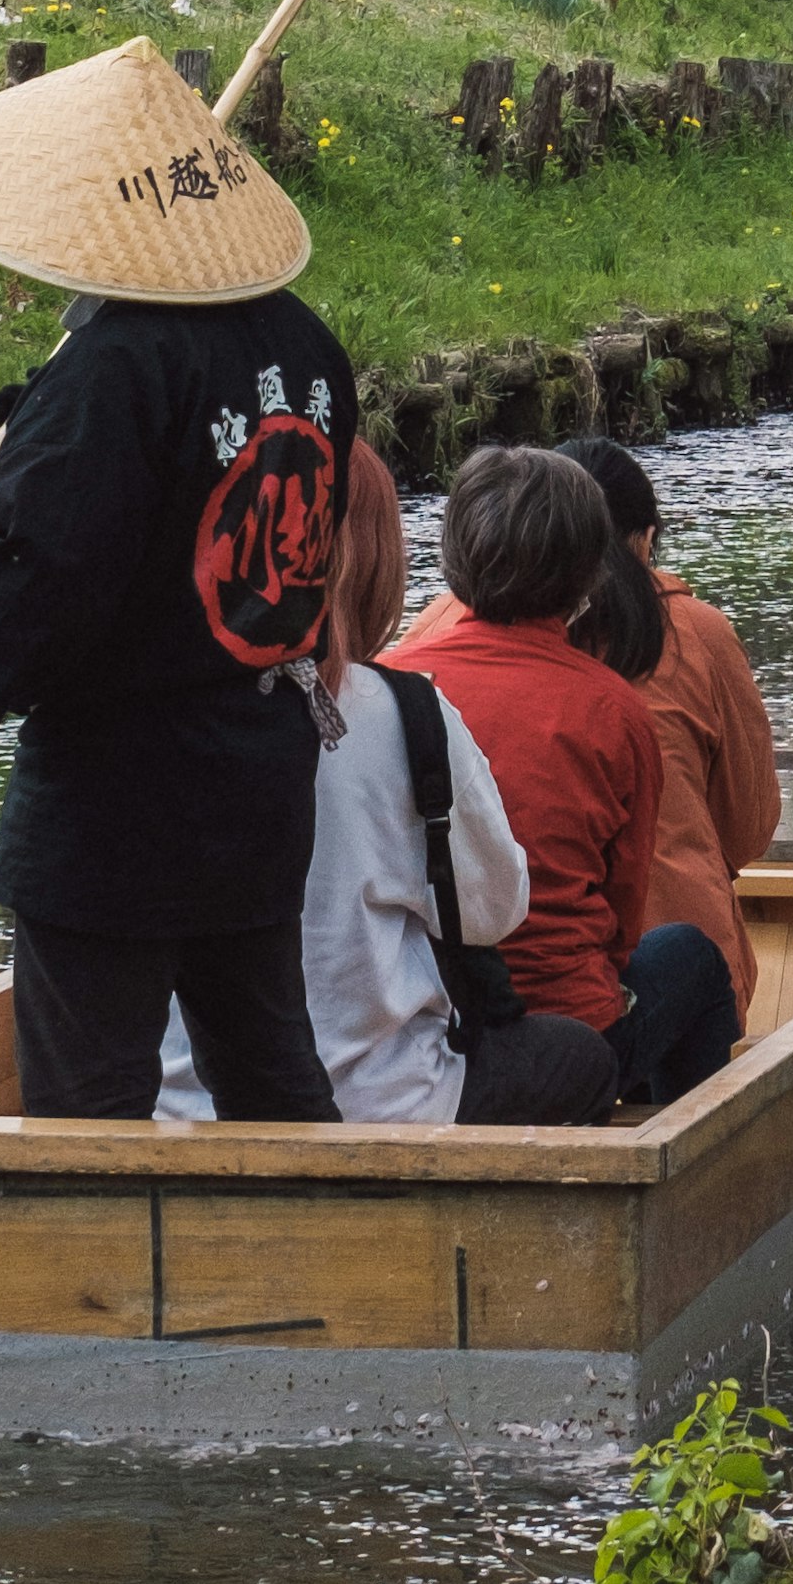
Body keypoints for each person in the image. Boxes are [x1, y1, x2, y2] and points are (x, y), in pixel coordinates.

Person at [0, 34, 353, 1123]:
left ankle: (96, 1293)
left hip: (116, 807)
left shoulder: (115, 366)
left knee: (89, 1114)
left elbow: (41, 578)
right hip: (255, 781)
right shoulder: (305, 343)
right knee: (274, 1083)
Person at [394, 445, 743, 1111]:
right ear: (592, 574)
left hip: (425, 1025)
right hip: (569, 1026)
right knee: (692, 957)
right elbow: (620, 923)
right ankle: (691, 1148)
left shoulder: (393, 681)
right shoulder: (612, 710)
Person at [291, 445, 620, 1127]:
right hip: (384, 1098)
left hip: (184, 1099)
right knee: (583, 1061)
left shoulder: (166, 718)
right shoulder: (404, 711)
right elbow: (495, 910)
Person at [567, 432, 780, 1021]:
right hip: (670, 979)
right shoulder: (698, 633)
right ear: (648, 539)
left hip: (496, 992)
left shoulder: (441, 628)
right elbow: (749, 827)